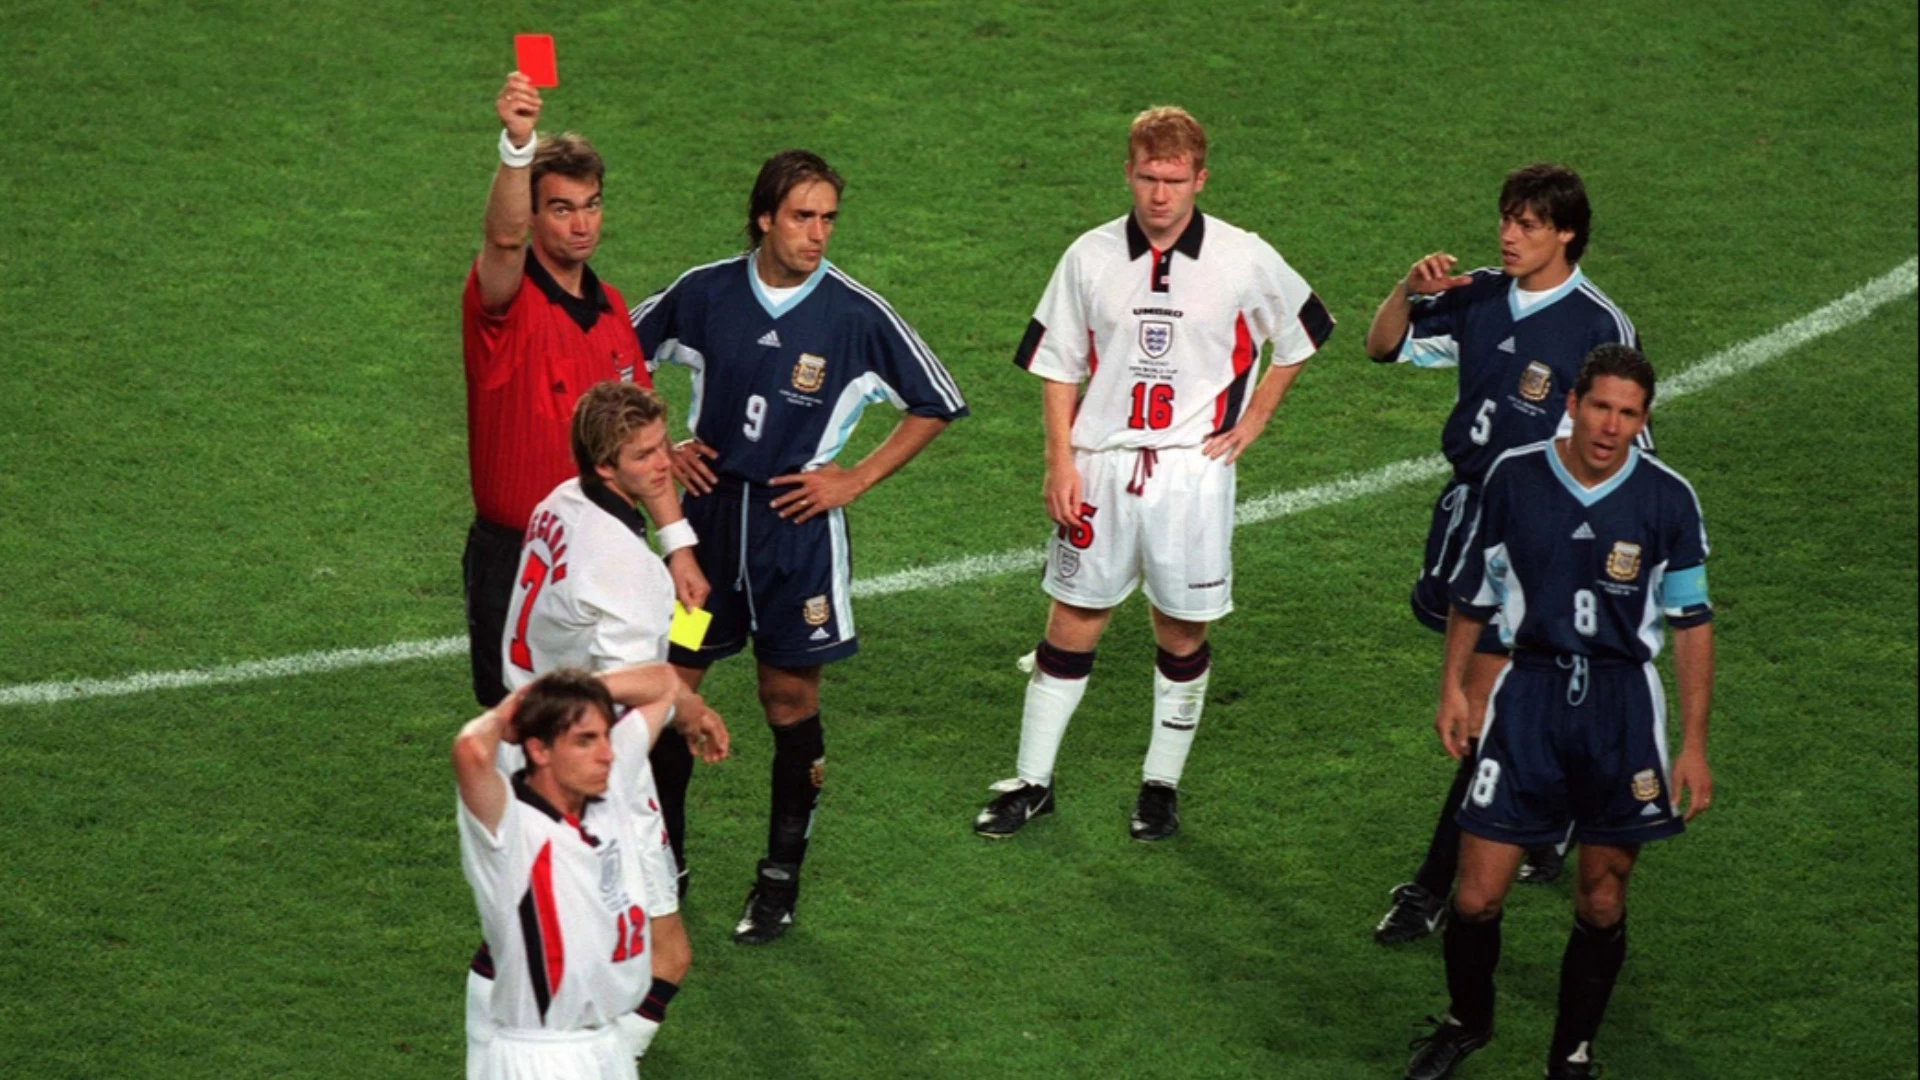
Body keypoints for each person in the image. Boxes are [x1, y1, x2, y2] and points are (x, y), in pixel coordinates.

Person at [629, 149, 968, 944]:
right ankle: (663, 864)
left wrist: (856, 478)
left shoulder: (854, 314)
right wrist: (661, 447)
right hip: (703, 536)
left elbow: (937, 400)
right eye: (802, 217)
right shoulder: (705, 291)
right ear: (764, 218)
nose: (818, 234)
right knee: (672, 693)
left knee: (787, 701)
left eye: (828, 219)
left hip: (796, 540)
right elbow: (615, 350)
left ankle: (779, 879)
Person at [973, 105, 1334, 843]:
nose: (1160, 194)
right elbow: (1058, 365)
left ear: (1201, 178)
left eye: (1174, 179)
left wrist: (1256, 418)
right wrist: (1059, 460)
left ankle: (1160, 787)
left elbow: (1303, 334)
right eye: (1147, 178)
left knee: (1179, 630)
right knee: (1071, 621)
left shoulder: (1242, 256)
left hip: (1191, 473)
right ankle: (1032, 782)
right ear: (1128, 173)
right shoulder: (1090, 255)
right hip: (1100, 467)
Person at [1402, 345, 1714, 1080]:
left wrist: (1693, 745)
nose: (1611, 426)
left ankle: (1571, 1051)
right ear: (1572, 404)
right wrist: (1453, 688)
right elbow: (1474, 592)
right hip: (1529, 695)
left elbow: (1692, 625)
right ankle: (1467, 1021)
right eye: (1600, 406)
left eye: (1628, 414)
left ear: (1643, 420)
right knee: (1475, 896)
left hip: (1621, 706)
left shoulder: (1669, 499)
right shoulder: (1515, 477)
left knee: (1602, 898)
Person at [1363, 163, 1644, 943]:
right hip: (1470, 521)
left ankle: (1431, 887)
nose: (1509, 236)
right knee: (1506, 701)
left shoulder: (1598, 328)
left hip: (1543, 541)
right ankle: (1553, 816)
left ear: (1567, 234)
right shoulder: (1481, 294)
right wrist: (1406, 291)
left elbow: (1627, 453)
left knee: (1482, 711)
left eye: (1528, 224)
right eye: (1506, 220)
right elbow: (1383, 347)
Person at [465, 382, 728, 1070]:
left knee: (517, 931)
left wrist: (678, 546)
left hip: (524, 747)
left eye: (663, 446)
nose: (664, 464)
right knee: (667, 956)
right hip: (588, 771)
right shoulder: (625, 572)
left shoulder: (560, 500)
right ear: (607, 466)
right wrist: (686, 702)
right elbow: (626, 698)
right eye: (644, 456)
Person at [461, 70, 705, 711]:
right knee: (523, 729)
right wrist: (518, 147)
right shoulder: (501, 304)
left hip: (611, 550)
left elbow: (645, 447)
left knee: (619, 721)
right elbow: (502, 239)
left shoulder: (613, 309)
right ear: (534, 212)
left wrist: (677, 547)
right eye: (561, 208)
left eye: (591, 205)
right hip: (523, 554)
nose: (581, 225)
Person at [452, 663, 727, 1080]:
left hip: (607, 1043)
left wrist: (576, 694)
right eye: (585, 740)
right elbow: (471, 750)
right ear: (540, 750)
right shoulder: (511, 827)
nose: (606, 753)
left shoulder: (609, 787)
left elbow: (663, 682)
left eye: (605, 736)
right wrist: (517, 708)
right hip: (542, 1055)